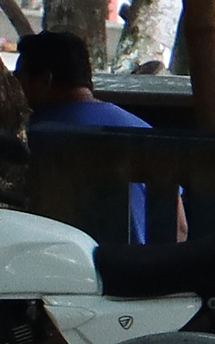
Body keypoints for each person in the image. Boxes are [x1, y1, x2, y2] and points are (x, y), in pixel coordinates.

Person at [19, 30, 154, 239]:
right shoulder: (143, 129)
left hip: (81, 265)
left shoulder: (41, 136)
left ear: (45, 80)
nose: (18, 87)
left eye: (21, 78)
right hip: (146, 265)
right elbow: (179, 226)